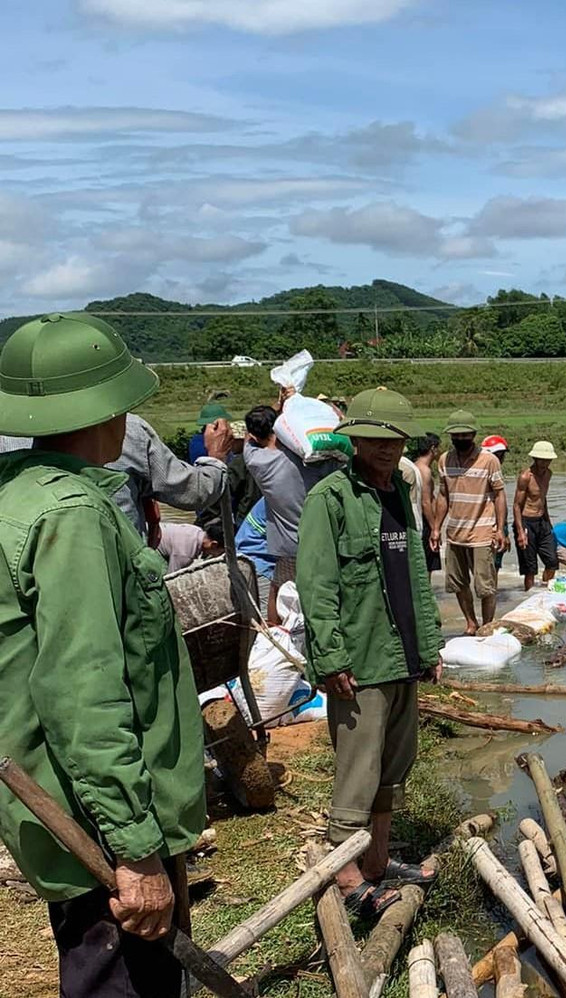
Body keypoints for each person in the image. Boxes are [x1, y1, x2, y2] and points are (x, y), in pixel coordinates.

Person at [0, 312, 206, 997]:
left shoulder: (17, 495)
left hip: (70, 809)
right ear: (111, 410)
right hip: (102, 830)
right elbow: (84, 696)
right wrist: (136, 851)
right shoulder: (72, 517)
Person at [297, 388, 444, 918]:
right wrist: (331, 658)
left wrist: (430, 644)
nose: (385, 448)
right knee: (358, 771)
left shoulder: (400, 492)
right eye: (373, 439)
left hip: (402, 654)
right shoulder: (330, 499)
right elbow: (316, 586)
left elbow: (416, 580)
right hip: (360, 661)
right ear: (354, 440)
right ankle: (346, 876)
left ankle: (377, 860)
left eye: (394, 440)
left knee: (393, 767)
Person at [242, 403, 338, 625]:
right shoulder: (309, 456)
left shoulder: (257, 462)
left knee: (278, 589)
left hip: (289, 546)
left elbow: (248, 442)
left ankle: (276, 634)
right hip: (324, 540)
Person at [110, 412, 231, 546]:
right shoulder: (128, 427)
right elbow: (193, 492)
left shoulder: (194, 441)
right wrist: (216, 456)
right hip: (123, 551)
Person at [436, 410, 507, 634]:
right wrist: (436, 528)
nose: (460, 439)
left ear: (473, 435)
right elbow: (443, 495)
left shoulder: (489, 461)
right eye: (456, 436)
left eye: (464, 435)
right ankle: (471, 622)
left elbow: (499, 495)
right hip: (455, 532)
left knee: (485, 586)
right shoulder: (444, 460)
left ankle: (487, 625)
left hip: (482, 532)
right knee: (457, 583)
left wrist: (501, 530)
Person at [513, 441, 559, 591]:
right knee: (530, 568)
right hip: (526, 521)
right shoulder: (526, 477)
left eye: (548, 460)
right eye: (542, 460)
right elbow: (516, 505)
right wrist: (520, 532)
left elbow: (542, 499)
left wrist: (548, 522)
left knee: (552, 561)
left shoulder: (548, 474)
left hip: (542, 521)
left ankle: (546, 591)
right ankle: (528, 595)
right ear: (535, 459)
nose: (545, 463)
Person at [411, 433, 443, 574]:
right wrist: (434, 528)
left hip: (417, 520)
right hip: (424, 522)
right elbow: (425, 502)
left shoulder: (414, 466)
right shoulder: (425, 471)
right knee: (427, 566)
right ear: (433, 448)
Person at [482, 435, 510, 573]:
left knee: (494, 565)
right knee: (488, 566)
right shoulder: (485, 474)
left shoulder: (495, 473)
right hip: (488, 526)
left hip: (496, 525)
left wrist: (504, 531)